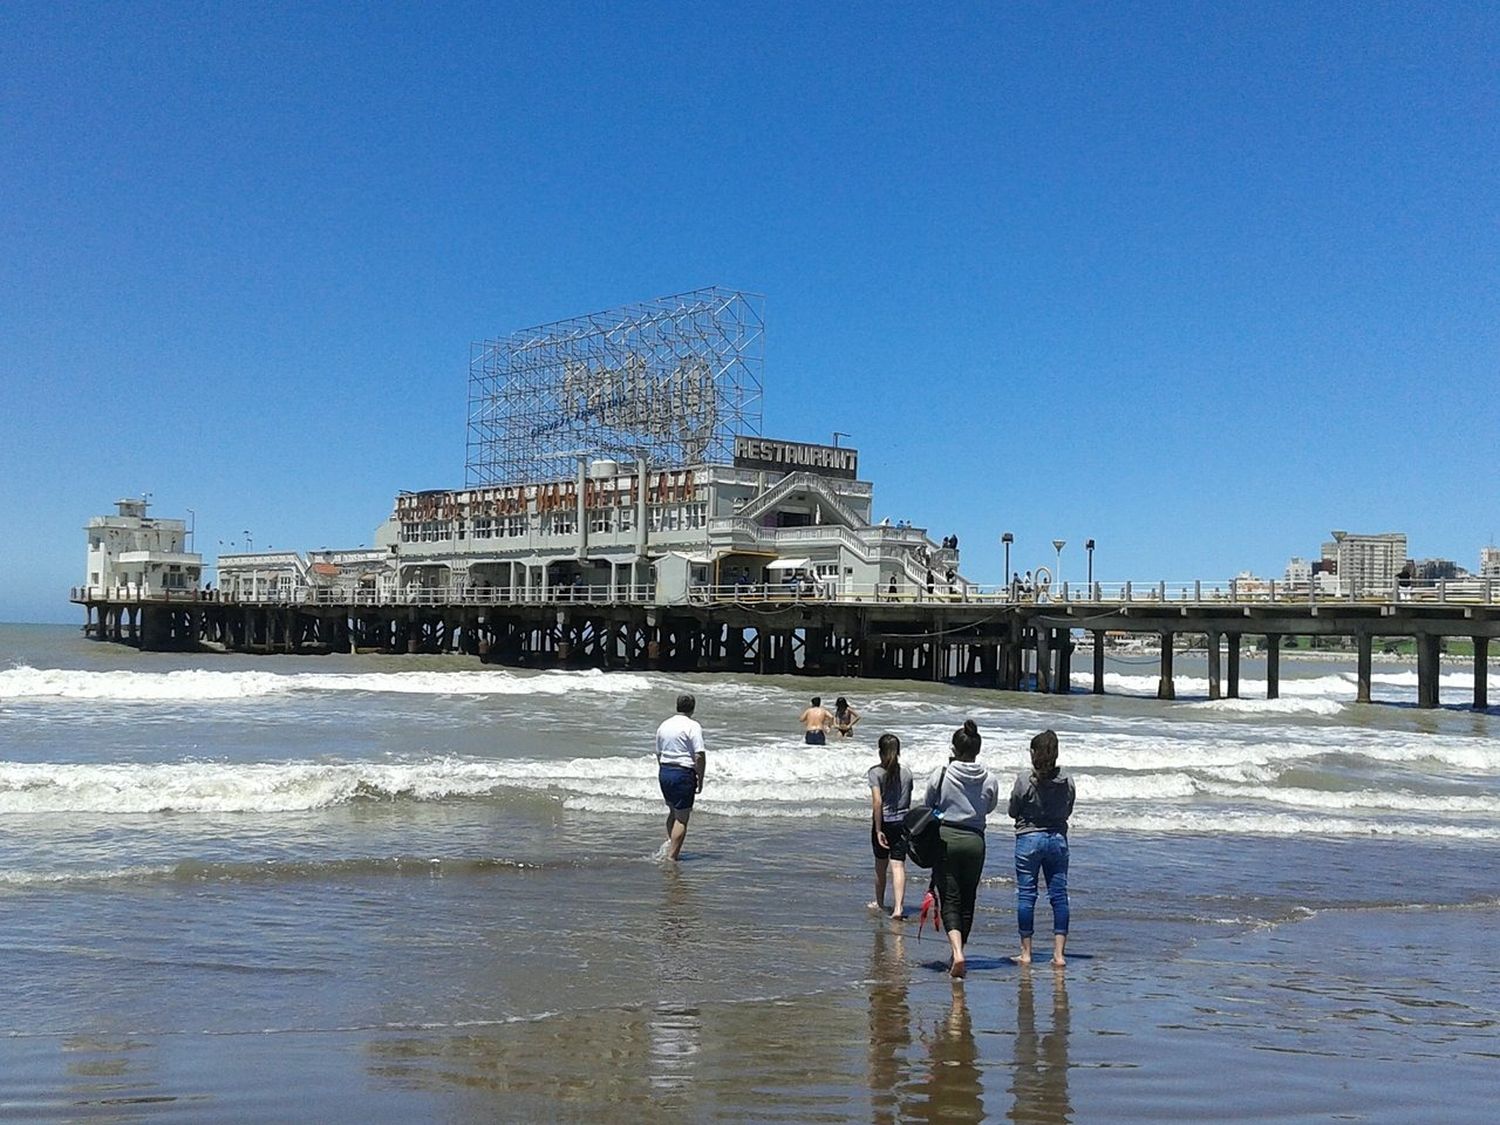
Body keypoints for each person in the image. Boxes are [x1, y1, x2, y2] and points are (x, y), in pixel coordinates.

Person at [923, 719, 1000, 979]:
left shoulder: (942, 773)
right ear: (977, 750)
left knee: (950, 900)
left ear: (955, 748)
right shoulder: (989, 777)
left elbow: (929, 803)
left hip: (947, 838)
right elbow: (989, 807)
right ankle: (959, 952)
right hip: (976, 841)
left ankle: (956, 953)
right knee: (968, 901)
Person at [1009, 728, 1075, 967]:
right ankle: (1059, 955)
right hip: (1057, 838)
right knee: (1059, 895)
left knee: (1027, 895)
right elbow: (1068, 809)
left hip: (1029, 839)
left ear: (1034, 753)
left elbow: (1012, 810)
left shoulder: (1024, 779)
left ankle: (1026, 953)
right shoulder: (1067, 779)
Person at [655, 693, 706, 861]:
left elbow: (658, 753)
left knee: (673, 812)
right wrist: (700, 777)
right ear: (693, 707)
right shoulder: (693, 726)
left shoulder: (664, 725)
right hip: (682, 773)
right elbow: (699, 755)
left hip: (665, 771)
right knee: (682, 818)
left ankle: (671, 846)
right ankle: (672, 857)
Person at [867, 733, 913, 919]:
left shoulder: (875, 772)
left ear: (880, 752)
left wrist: (878, 830)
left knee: (880, 865)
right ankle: (898, 908)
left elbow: (877, 802)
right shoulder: (907, 773)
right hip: (902, 822)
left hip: (884, 822)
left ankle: (879, 903)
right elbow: (907, 799)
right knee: (898, 866)